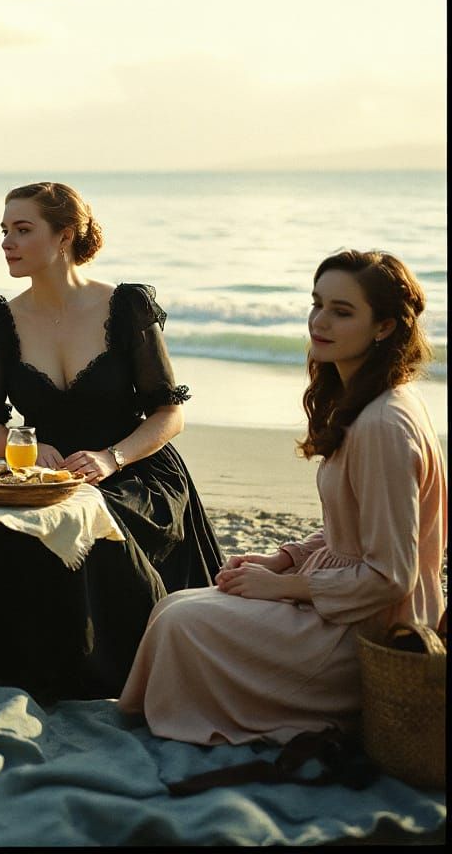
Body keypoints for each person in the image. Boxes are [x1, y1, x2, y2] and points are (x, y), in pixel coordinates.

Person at [118, 250, 447, 745]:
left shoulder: (384, 424)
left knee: (182, 622)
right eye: (317, 304)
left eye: (342, 311)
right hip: (339, 597)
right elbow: (352, 528)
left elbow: (389, 576)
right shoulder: (370, 401)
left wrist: (282, 588)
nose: (320, 321)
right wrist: (283, 559)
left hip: (369, 631)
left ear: (383, 328)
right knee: (176, 606)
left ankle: (189, 718)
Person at [0, 182, 223, 702]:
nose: (7, 241)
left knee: (91, 526)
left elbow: (169, 415)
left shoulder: (125, 307)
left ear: (64, 236)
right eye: (4, 230)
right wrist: (20, 445)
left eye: (22, 229)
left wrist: (109, 457)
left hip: (134, 470)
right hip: (40, 474)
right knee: (23, 529)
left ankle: (107, 677)